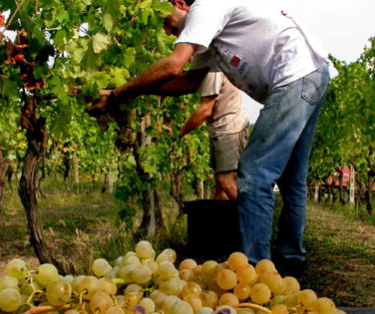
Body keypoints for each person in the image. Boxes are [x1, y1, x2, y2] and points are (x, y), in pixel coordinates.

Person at [95, 0, 330, 269]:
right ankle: (291, 261)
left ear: (180, 4)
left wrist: (118, 95)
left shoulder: (205, 7)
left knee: (254, 174)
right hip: (310, 73)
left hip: (294, 76)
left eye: (165, 20)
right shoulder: (213, 36)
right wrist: (142, 89)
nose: (167, 32)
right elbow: (188, 81)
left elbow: (174, 65)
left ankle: (253, 268)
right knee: (291, 180)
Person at [178, 71, 249, 200]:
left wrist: (180, 133)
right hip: (221, 129)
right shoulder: (215, 64)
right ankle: (220, 220)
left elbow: (205, 110)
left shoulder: (213, 70)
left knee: (226, 181)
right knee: (220, 187)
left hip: (229, 129)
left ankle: (254, 218)